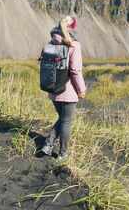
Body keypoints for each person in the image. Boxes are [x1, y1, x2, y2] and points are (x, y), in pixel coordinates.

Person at [41, 16, 86, 160]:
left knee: (62, 119)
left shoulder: (50, 43)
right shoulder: (74, 45)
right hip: (68, 91)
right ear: (71, 28)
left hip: (53, 89)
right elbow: (75, 71)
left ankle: (47, 145)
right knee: (66, 121)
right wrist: (81, 89)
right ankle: (63, 154)